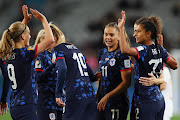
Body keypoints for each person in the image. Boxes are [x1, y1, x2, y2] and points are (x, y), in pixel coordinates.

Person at [118, 11, 178, 120]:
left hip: (144, 101)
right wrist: (161, 49)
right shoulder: (159, 50)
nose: (134, 34)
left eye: (137, 31)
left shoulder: (142, 50)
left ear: (148, 34)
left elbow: (125, 50)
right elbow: (175, 65)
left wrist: (121, 28)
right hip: (158, 101)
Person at [0, 5, 54, 120]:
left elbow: (16, 34)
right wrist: (43, 19)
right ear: (23, 37)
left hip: (15, 105)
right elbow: (50, 40)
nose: (30, 36)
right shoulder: (25, 53)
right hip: (27, 106)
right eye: (28, 33)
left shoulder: (9, 54)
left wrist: (24, 22)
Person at [51, 27, 99, 120]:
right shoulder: (74, 48)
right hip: (89, 95)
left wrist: (58, 94)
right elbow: (88, 69)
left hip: (75, 95)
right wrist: (93, 78)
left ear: (54, 39)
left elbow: (62, 69)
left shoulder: (58, 49)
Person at [96, 22, 131, 120]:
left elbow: (126, 82)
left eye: (111, 35)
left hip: (117, 103)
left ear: (119, 37)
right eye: (106, 34)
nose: (108, 37)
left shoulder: (122, 55)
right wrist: (98, 95)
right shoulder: (102, 53)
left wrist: (108, 96)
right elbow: (102, 78)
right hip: (102, 102)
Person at [34, 23, 65, 120]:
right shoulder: (40, 56)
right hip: (46, 103)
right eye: (43, 40)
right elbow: (38, 78)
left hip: (59, 102)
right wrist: (52, 66)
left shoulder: (59, 55)